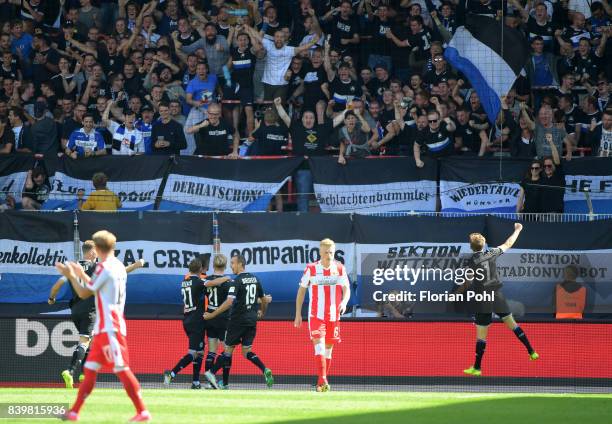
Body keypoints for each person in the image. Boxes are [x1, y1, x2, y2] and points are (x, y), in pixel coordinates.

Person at [55, 230, 151, 422]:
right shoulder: (117, 266)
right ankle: (74, 412)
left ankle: (143, 411)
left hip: (110, 327)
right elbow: (97, 287)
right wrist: (81, 273)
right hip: (103, 326)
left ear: (97, 249)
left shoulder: (103, 268)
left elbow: (83, 293)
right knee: (89, 370)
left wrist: (72, 275)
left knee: (122, 369)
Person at [49, 241, 144, 388]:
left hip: (75, 310)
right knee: (84, 341)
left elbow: (56, 286)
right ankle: (70, 371)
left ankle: (84, 374)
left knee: (90, 340)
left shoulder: (73, 266)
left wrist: (51, 298)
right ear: (92, 253)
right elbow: (120, 272)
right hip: (90, 310)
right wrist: (136, 265)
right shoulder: (97, 267)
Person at [462, 224, 539, 377]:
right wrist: (518, 230)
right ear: (484, 244)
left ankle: (477, 368)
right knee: (513, 325)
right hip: (497, 295)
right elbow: (508, 243)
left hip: (483, 299)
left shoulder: (471, 262)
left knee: (481, 335)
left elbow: (467, 282)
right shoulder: (491, 253)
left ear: (471, 247)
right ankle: (531, 351)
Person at [203, 255, 273, 390]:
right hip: (251, 321)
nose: (231, 266)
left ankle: (211, 373)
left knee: (228, 350)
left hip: (237, 321)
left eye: (233, 263)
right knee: (247, 351)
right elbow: (264, 299)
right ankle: (264, 369)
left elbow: (229, 303)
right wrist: (262, 313)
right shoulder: (255, 278)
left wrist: (212, 314)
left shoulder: (237, 281)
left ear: (241, 264)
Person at [294, 238, 351, 392]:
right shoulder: (311, 269)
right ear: (320, 252)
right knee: (318, 347)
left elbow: (346, 288)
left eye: (331, 252)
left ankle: (321, 382)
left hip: (333, 316)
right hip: (316, 315)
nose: (328, 255)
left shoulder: (339, 268)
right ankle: (323, 380)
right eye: (325, 252)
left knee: (328, 350)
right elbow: (301, 290)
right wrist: (298, 314)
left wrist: (344, 302)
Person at [163, 258, 229, 389]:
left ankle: (195, 382)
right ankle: (171, 373)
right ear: (200, 270)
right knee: (193, 352)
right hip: (196, 322)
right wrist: (226, 278)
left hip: (187, 319)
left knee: (200, 352)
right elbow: (213, 282)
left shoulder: (184, 282)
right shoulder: (199, 282)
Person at [202, 254, 233, 388]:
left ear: (213, 265)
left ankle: (210, 384)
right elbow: (230, 302)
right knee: (228, 350)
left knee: (211, 351)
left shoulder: (206, 279)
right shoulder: (229, 282)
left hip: (210, 317)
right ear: (225, 266)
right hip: (224, 319)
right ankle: (224, 382)